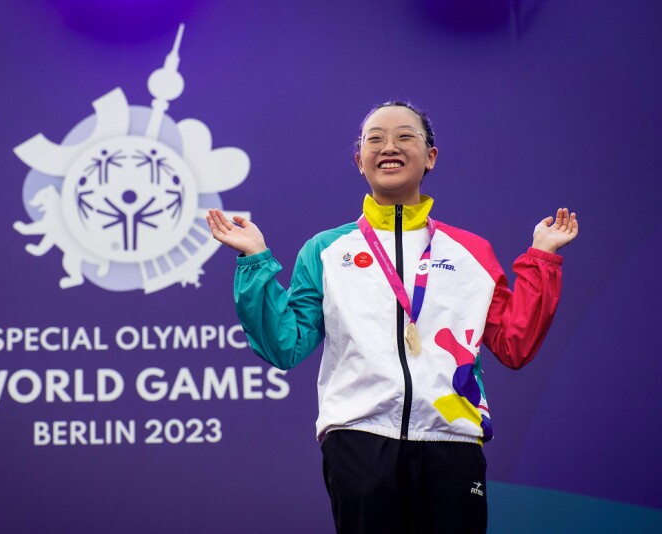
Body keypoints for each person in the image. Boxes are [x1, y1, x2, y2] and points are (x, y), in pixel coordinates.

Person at [206, 101, 578, 534]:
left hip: (451, 437)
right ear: (359, 159)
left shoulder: (471, 252)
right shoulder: (325, 250)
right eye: (375, 139)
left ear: (431, 156)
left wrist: (542, 259)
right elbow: (285, 344)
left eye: (405, 136)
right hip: (359, 438)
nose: (390, 146)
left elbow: (514, 344)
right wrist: (255, 260)